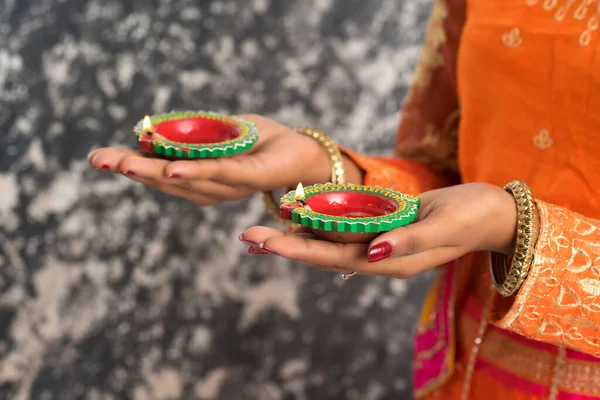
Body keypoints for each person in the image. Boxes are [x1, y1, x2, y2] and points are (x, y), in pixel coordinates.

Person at [87, 0, 600, 398]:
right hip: (467, 368)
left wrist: (515, 226)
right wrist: (323, 168)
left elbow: (488, 209)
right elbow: (445, 168)